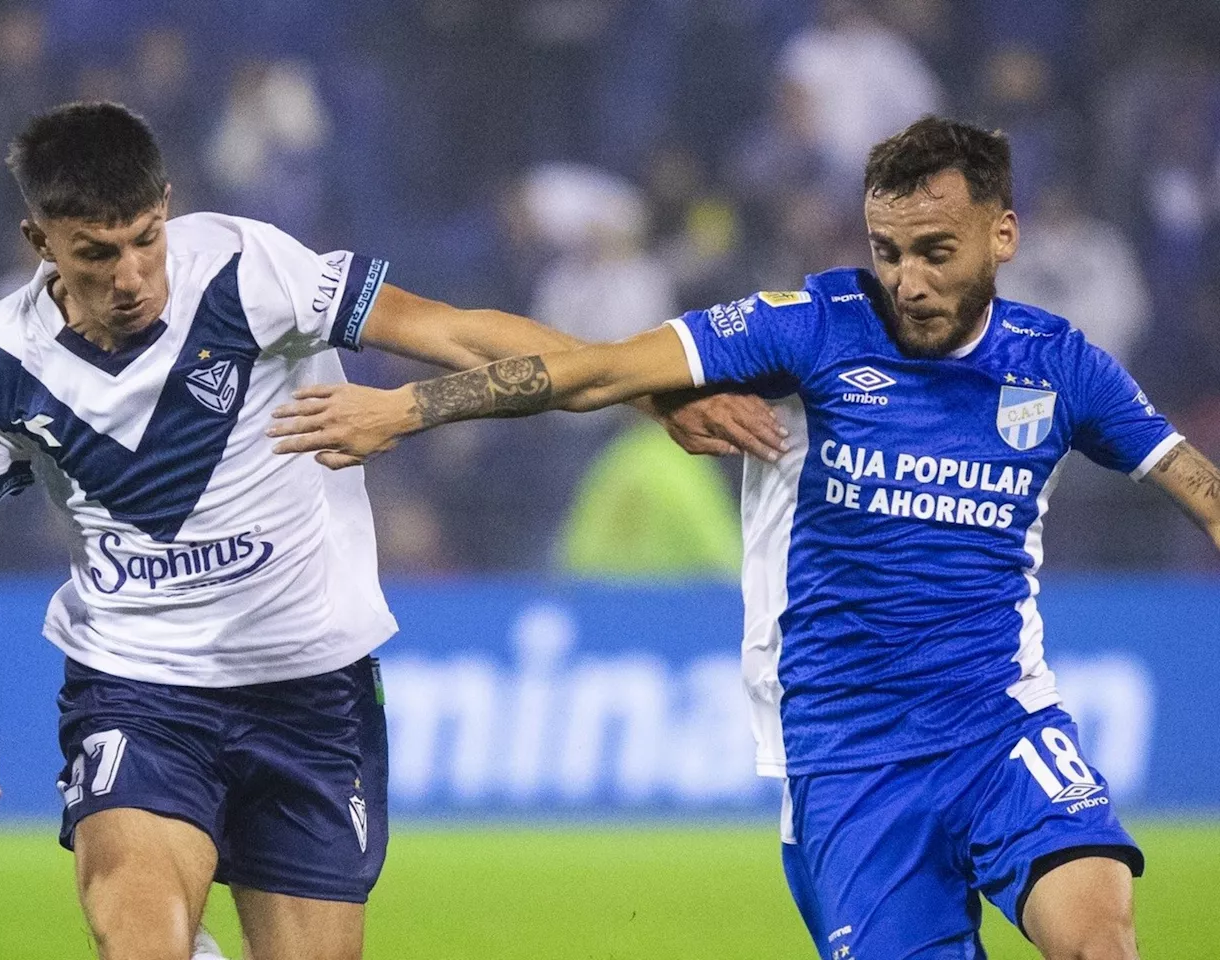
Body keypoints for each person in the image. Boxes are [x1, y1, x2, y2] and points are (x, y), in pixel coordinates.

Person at [269, 116, 1220, 959]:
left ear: (1003, 234)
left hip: (1000, 727)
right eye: (888, 252)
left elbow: (1197, 486)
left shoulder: (1060, 365)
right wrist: (409, 408)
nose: (909, 282)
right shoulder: (812, 328)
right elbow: (589, 370)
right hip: (847, 757)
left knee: (1100, 940)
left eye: (936, 250)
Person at [0, 101, 781, 960]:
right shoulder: (0, 364)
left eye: (147, 238)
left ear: (166, 202)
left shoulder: (248, 268)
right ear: (40, 241)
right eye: (97, 253)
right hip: (140, 689)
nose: (132, 275)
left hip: (309, 692)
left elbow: (454, 331)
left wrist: (651, 393)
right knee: (140, 940)